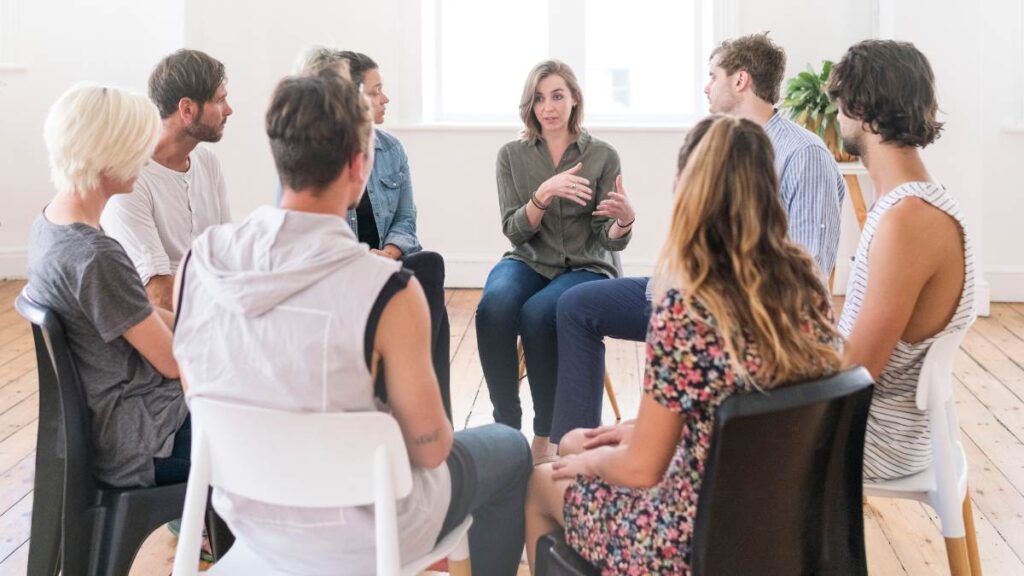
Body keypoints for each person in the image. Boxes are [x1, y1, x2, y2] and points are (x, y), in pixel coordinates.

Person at [173, 70, 530, 575]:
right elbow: (430, 449)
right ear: (359, 166)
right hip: (367, 534)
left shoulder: (200, 260)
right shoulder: (385, 289)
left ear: (279, 156)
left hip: (249, 516)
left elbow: (198, 389)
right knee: (513, 449)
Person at [525, 116, 843, 574]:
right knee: (577, 442)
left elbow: (641, 470)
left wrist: (595, 461)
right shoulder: (806, 287)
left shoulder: (689, 308)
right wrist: (634, 431)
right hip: (780, 517)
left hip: (690, 537)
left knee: (543, 479)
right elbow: (740, 402)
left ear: (688, 189)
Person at [549, 32, 845, 445]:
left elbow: (808, 269)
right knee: (575, 306)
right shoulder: (719, 143)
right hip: (685, 294)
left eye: (713, 75)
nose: (706, 85)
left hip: (730, 315)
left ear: (740, 81)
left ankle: (643, 444)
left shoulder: (803, 154)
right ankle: (572, 447)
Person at [25, 83, 189, 488]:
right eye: (139, 149)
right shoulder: (95, 256)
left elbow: (141, 315)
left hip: (114, 426)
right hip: (144, 441)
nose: (147, 159)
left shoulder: (51, 224)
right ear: (108, 155)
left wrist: (197, 320)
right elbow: (172, 363)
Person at [828, 40, 976, 481]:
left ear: (859, 108)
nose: (837, 119)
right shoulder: (911, 204)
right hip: (873, 424)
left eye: (839, 107)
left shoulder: (908, 219)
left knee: (708, 427)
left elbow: (858, 370)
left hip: (872, 438)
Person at [477, 60, 635, 463]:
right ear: (529, 105)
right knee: (493, 307)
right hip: (529, 257)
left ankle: (543, 436)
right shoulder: (511, 156)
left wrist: (623, 221)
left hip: (584, 264)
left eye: (558, 96)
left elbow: (607, 239)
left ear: (574, 99)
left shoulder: (602, 156)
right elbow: (515, 231)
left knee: (538, 314)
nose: (548, 107)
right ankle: (504, 426)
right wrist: (542, 196)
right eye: (540, 98)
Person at [285, 46, 452, 419]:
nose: (385, 98)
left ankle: (425, 406)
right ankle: (415, 409)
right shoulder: (314, 158)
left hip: (385, 266)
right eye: (375, 91)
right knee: (422, 282)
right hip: (339, 274)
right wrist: (361, 260)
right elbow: (307, 233)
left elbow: (407, 221)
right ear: (350, 98)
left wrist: (386, 255)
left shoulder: (391, 150)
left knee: (428, 265)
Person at [100, 49, 233, 312]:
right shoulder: (129, 180)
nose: (229, 110)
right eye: (220, 101)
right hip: (171, 327)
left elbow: (227, 251)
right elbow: (157, 294)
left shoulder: (207, 161)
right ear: (187, 109)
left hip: (212, 309)